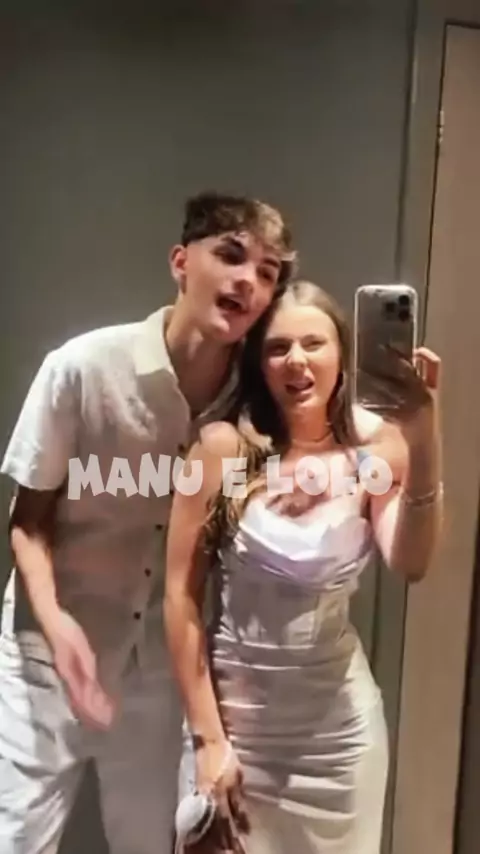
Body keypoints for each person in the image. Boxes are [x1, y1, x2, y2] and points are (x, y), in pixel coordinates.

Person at [0, 190, 298, 854]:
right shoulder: (82, 369)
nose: (248, 281)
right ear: (180, 263)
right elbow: (26, 523)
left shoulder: (255, 402)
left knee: (150, 842)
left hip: (159, 674)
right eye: (231, 256)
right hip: (47, 657)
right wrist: (56, 623)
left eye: (268, 271)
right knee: (16, 839)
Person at [164, 279, 443, 854]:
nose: (297, 361)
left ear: (342, 353)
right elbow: (179, 596)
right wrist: (208, 741)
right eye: (278, 347)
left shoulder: (378, 450)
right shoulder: (223, 451)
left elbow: (411, 561)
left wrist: (424, 437)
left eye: (313, 343)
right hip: (235, 731)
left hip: (337, 742)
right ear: (258, 363)